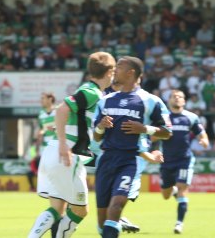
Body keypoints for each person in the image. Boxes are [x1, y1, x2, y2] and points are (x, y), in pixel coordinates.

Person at [27, 52, 116, 238]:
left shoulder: (88, 90)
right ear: (109, 72)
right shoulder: (91, 92)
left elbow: (70, 114)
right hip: (68, 154)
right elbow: (62, 109)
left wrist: (98, 125)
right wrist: (63, 144)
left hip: (53, 152)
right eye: (114, 71)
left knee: (57, 209)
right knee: (80, 210)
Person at [93, 56, 172, 238]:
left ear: (131, 73)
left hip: (129, 160)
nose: (114, 70)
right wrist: (100, 126)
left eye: (119, 66)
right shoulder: (106, 100)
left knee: (116, 206)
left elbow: (167, 132)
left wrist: (145, 128)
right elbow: (97, 137)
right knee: (102, 223)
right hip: (106, 160)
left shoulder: (150, 101)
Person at [159, 89, 209, 234]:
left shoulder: (191, 117)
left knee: (182, 187)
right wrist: (158, 137)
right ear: (169, 100)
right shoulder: (164, 118)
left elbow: (201, 132)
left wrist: (204, 140)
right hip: (167, 160)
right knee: (166, 195)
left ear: (184, 101)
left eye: (180, 97)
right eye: (174, 97)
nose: (177, 99)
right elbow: (153, 136)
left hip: (184, 159)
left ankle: (179, 223)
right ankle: (173, 190)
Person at [37, 92, 56, 156]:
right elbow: (41, 129)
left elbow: (65, 128)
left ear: (50, 99)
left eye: (43, 98)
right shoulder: (41, 114)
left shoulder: (58, 111)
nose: (41, 101)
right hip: (44, 147)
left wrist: (55, 128)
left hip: (56, 145)